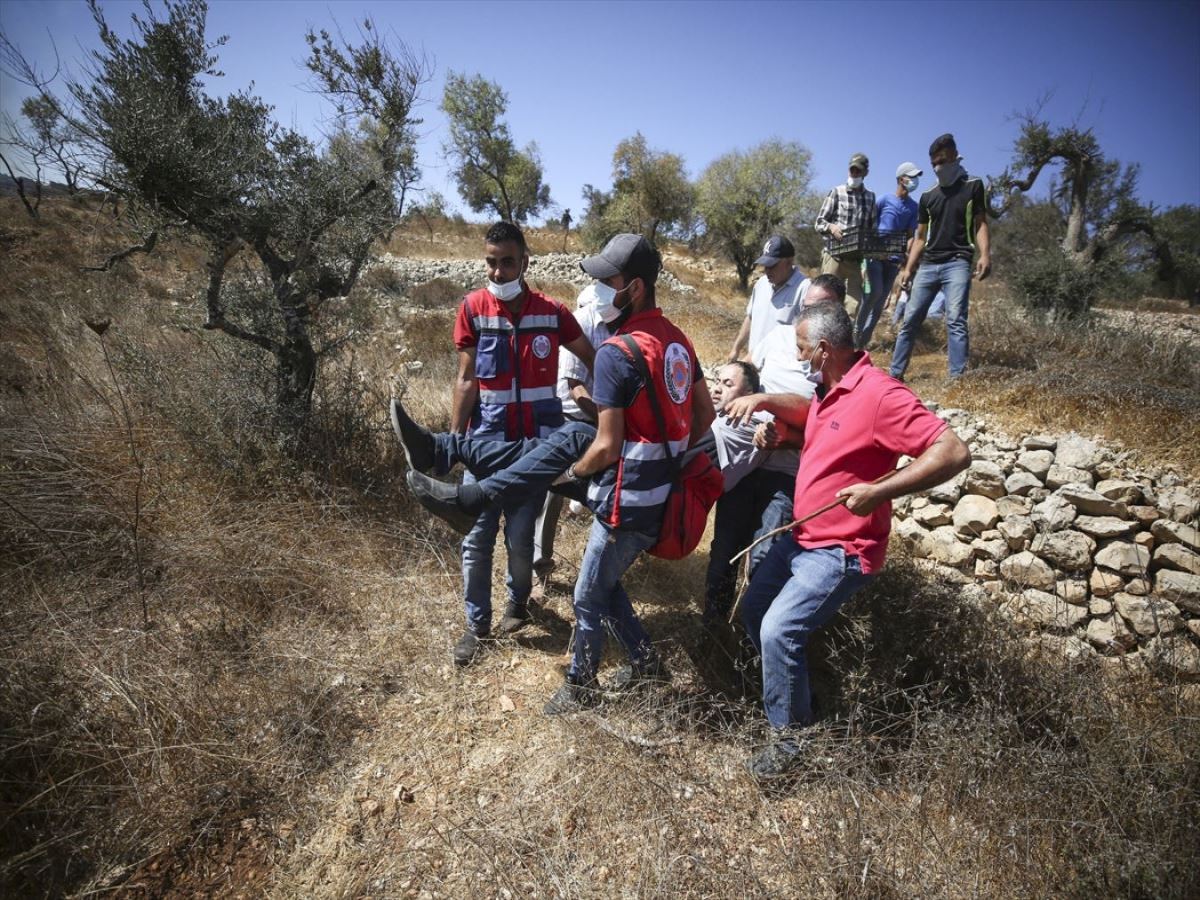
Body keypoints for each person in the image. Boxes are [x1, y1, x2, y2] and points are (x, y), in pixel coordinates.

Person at [397, 234, 715, 713]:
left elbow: (607, 445)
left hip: (625, 496)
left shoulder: (616, 351)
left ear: (636, 288)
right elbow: (705, 416)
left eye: (608, 280)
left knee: (588, 597)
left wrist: (572, 474)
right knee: (563, 445)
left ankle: (581, 686)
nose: (597, 288)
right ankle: (647, 663)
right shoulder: (677, 340)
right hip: (656, 491)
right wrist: (658, 446)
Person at [724, 302, 971, 780]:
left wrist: (879, 490)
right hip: (801, 537)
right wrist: (779, 428)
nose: (797, 356)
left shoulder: (881, 396)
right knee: (755, 613)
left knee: (779, 630)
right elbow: (819, 428)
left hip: (842, 550)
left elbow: (953, 451)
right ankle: (801, 698)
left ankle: (792, 746)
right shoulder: (828, 388)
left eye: (800, 348)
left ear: (822, 349)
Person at [403, 221, 595, 668]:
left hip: (534, 450)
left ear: (525, 262)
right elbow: (467, 380)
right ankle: (477, 625)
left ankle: (517, 603)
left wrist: (594, 400)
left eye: (507, 262)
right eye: (491, 262)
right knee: (476, 538)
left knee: (521, 536)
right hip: (486, 444)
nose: (498, 271)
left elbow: (592, 357)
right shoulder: (473, 308)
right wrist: (458, 438)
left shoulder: (552, 312)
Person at [703, 276, 846, 623]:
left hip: (786, 475)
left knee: (764, 560)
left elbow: (832, 427)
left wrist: (789, 438)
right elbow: (747, 376)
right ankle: (712, 630)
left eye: (820, 306)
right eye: (806, 304)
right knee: (724, 552)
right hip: (745, 466)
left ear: (838, 311)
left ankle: (753, 643)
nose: (809, 311)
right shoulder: (778, 338)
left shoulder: (836, 363)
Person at [889, 134, 992, 380]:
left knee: (955, 319)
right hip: (928, 265)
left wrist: (985, 254)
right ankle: (894, 374)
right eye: (935, 163)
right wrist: (908, 269)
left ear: (955, 156)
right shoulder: (928, 196)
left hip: (958, 261)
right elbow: (921, 237)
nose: (939, 167)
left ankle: (957, 379)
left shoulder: (973, 185)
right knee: (910, 319)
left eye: (943, 161)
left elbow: (980, 224)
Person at [532, 284, 607, 583]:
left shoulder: (610, 331)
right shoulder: (580, 329)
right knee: (554, 488)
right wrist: (608, 420)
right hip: (571, 419)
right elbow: (576, 388)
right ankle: (540, 558)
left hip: (597, 421)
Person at [857, 162, 922, 349]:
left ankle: (862, 344)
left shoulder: (913, 207)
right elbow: (870, 223)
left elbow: (910, 235)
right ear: (901, 179)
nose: (914, 181)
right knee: (873, 294)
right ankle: (855, 334)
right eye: (911, 177)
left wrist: (908, 254)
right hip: (875, 256)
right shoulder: (884, 200)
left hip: (894, 261)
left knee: (879, 305)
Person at [727, 235, 809, 364]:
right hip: (752, 363)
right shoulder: (761, 284)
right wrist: (736, 348)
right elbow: (750, 318)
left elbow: (806, 336)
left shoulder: (805, 289)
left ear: (789, 262)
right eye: (765, 266)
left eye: (772, 266)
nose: (767, 271)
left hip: (780, 369)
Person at [815, 153, 877, 316]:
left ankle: (843, 341)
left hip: (855, 262)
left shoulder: (870, 198)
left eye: (858, 171)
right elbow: (819, 222)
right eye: (852, 170)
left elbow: (873, 231)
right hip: (834, 257)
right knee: (826, 303)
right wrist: (831, 227)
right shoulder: (837, 192)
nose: (854, 174)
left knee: (852, 309)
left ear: (865, 173)